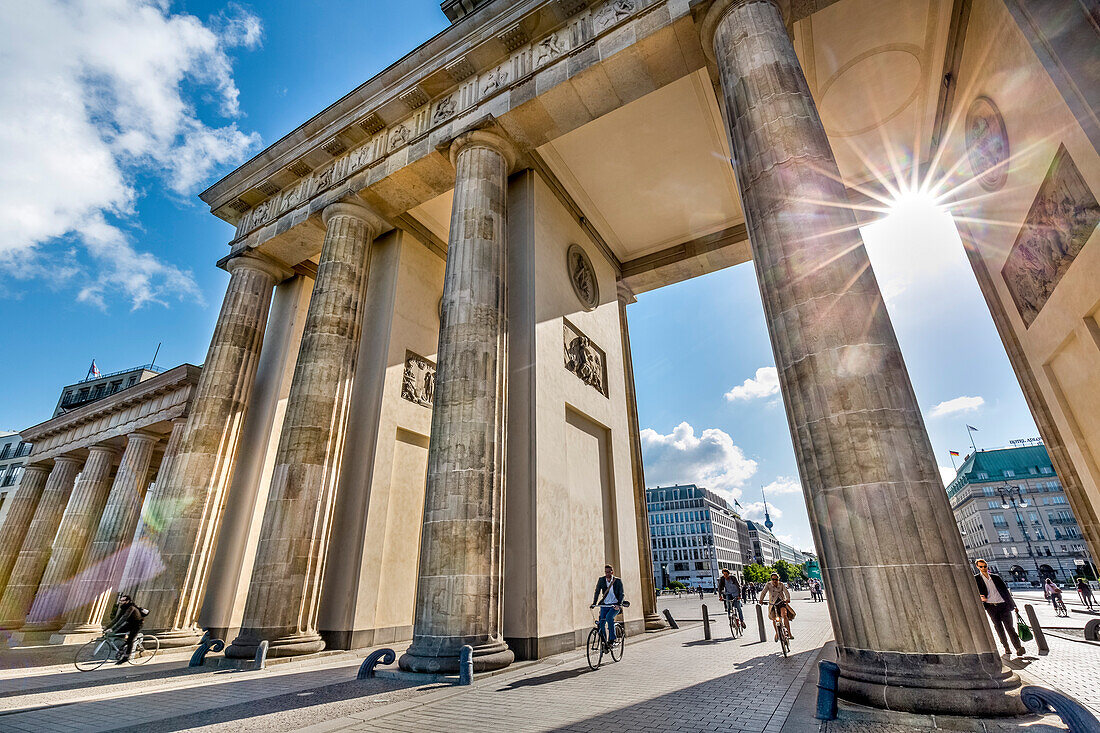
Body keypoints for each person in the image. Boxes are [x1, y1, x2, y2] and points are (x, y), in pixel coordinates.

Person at [973, 559, 1025, 657]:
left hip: (1003, 605)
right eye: (981, 567)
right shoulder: (976, 579)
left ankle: (1018, 647)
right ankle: (1006, 647)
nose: (983, 568)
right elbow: (975, 592)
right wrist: (980, 597)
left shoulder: (995, 577)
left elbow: (1005, 592)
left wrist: (1014, 605)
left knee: (1010, 627)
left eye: (985, 566)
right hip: (991, 607)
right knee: (998, 628)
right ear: (977, 567)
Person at [591, 564, 625, 651]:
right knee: (601, 623)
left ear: (612, 572)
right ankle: (604, 642)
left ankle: (612, 639)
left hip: (614, 606)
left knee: (609, 617)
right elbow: (597, 591)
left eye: (609, 572)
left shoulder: (617, 581)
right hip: (605, 605)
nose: (607, 573)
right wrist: (594, 603)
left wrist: (619, 604)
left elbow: (621, 594)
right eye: (606, 572)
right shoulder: (601, 580)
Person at [107, 594, 147, 663]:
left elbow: (123, 619)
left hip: (137, 624)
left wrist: (112, 628)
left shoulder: (131, 608)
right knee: (117, 633)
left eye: (123, 600)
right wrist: (107, 627)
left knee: (130, 640)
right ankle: (124, 645)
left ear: (127, 601)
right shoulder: (123, 608)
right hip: (130, 623)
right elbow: (117, 619)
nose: (121, 601)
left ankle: (127, 656)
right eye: (120, 600)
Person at [758, 572, 793, 641]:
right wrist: (761, 600)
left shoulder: (781, 584)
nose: (774, 581)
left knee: (784, 615)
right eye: (773, 579)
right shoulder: (768, 584)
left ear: (778, 579)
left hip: (781, 602)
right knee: (774, 619)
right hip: (772, 603)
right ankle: (777, 632)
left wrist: (788, 599)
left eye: (776, 579)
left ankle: (789, 633)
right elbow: (764, 592)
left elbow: (786, 592)